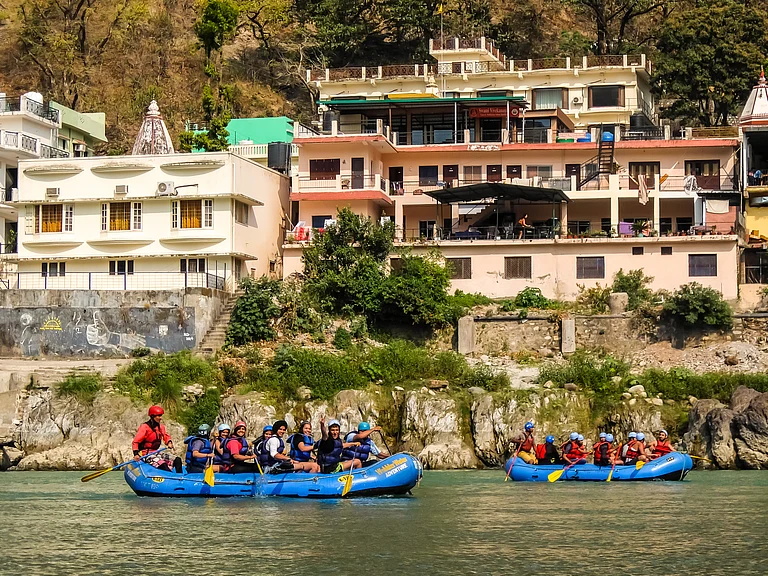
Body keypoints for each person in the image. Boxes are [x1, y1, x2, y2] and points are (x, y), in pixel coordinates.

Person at [132, 405, 181, 472]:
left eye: (161, 416)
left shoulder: (161, 427)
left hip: (156, 452)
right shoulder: (144, 427)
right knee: (163, 465)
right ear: (152, 416)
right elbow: (135, 442)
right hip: (146, 454)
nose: (161, 418)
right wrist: (136, 454)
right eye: (159, 416)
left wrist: (169, 442)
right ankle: (169, 477)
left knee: (177, 460)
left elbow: (166, 436)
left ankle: (180, 478)